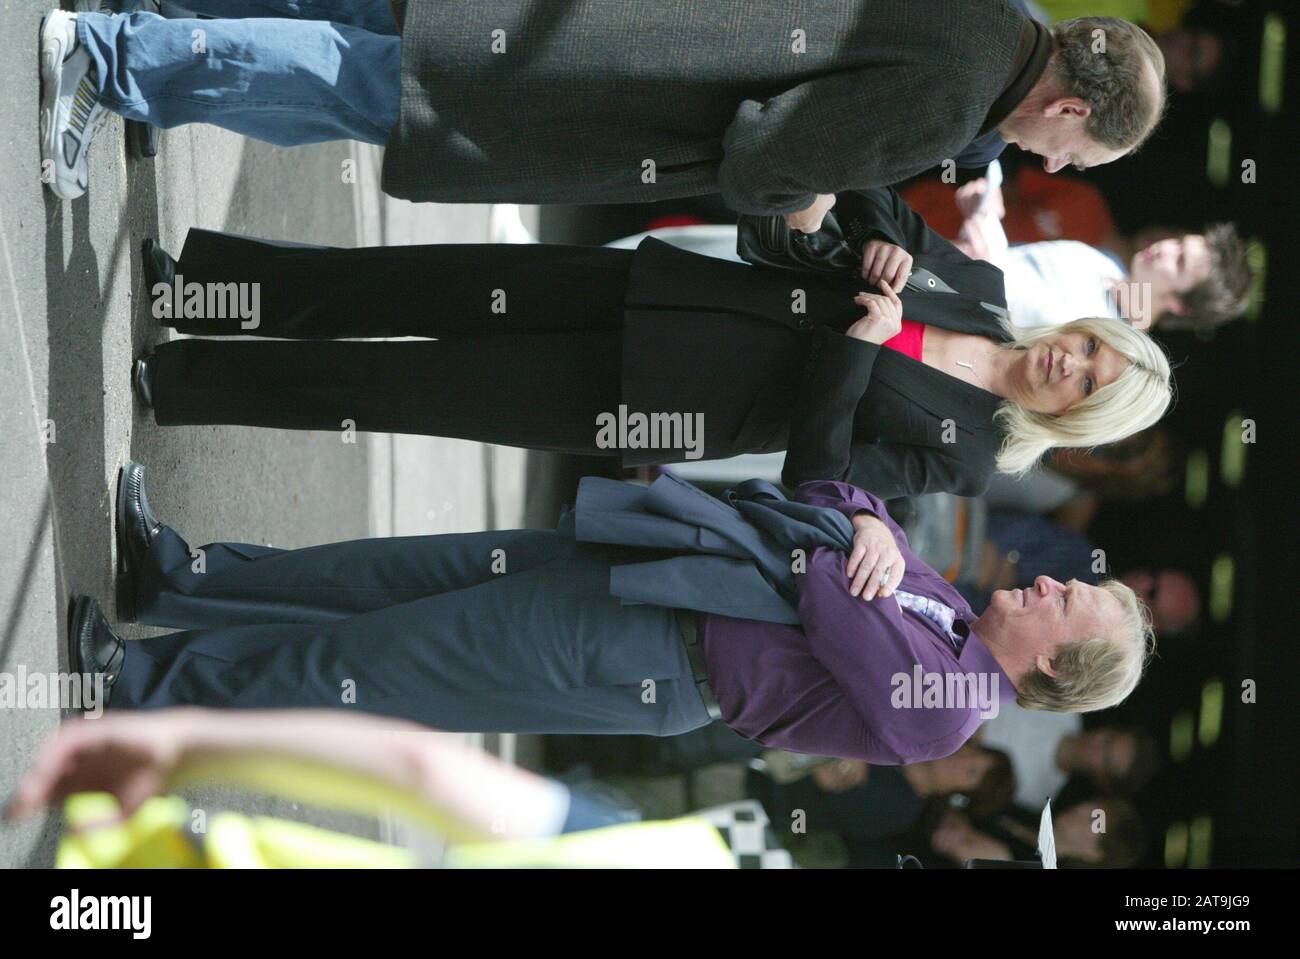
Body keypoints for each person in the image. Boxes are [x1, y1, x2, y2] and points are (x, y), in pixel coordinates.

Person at [131, 186, 1174, 499]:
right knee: (416, 277)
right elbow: (873, 211)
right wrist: (875, 258)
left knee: (404, 382)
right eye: (1089, 346)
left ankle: (181, 377)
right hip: (667, 289)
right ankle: (207, 290)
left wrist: (863, 341)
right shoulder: (985, 293)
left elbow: (822, 469)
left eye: (1089, 381)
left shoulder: (971, 452)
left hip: (653, 394)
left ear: (1080, 413)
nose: (1070, 362)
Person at [73, 463, 1153, 762]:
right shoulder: (952, 611)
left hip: (648, 656)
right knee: (384, 577)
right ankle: (180, 579)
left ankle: (136, 688)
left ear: (1054, 671)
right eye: (1076, 580)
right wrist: (868, 521)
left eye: (1074, 605)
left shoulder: (948, 708)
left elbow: (824, 594)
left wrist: (857, 539)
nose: (1055, 581)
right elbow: (831, 499)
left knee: (381, 660)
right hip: (653, 575)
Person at [39, 2, 1167, 227]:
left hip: (607, 21)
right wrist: (807, 193)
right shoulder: (950, 105)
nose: (1045, 159)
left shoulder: (989, 16)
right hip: (605, 83)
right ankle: (111, 53)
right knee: (360, 82)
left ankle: (146, 21)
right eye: (1071, 147)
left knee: (363, 27)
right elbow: (766, 151)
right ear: (1070, 104)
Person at [953, 177, 1252, 331]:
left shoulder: (1103, 344)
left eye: (1180, 261)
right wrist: (987, 213)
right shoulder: (1104, 263)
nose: (1165, 248)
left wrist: (984, 227)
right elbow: (1010, 266)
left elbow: (1004, 300)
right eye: (1179, 243)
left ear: (1180, 306)